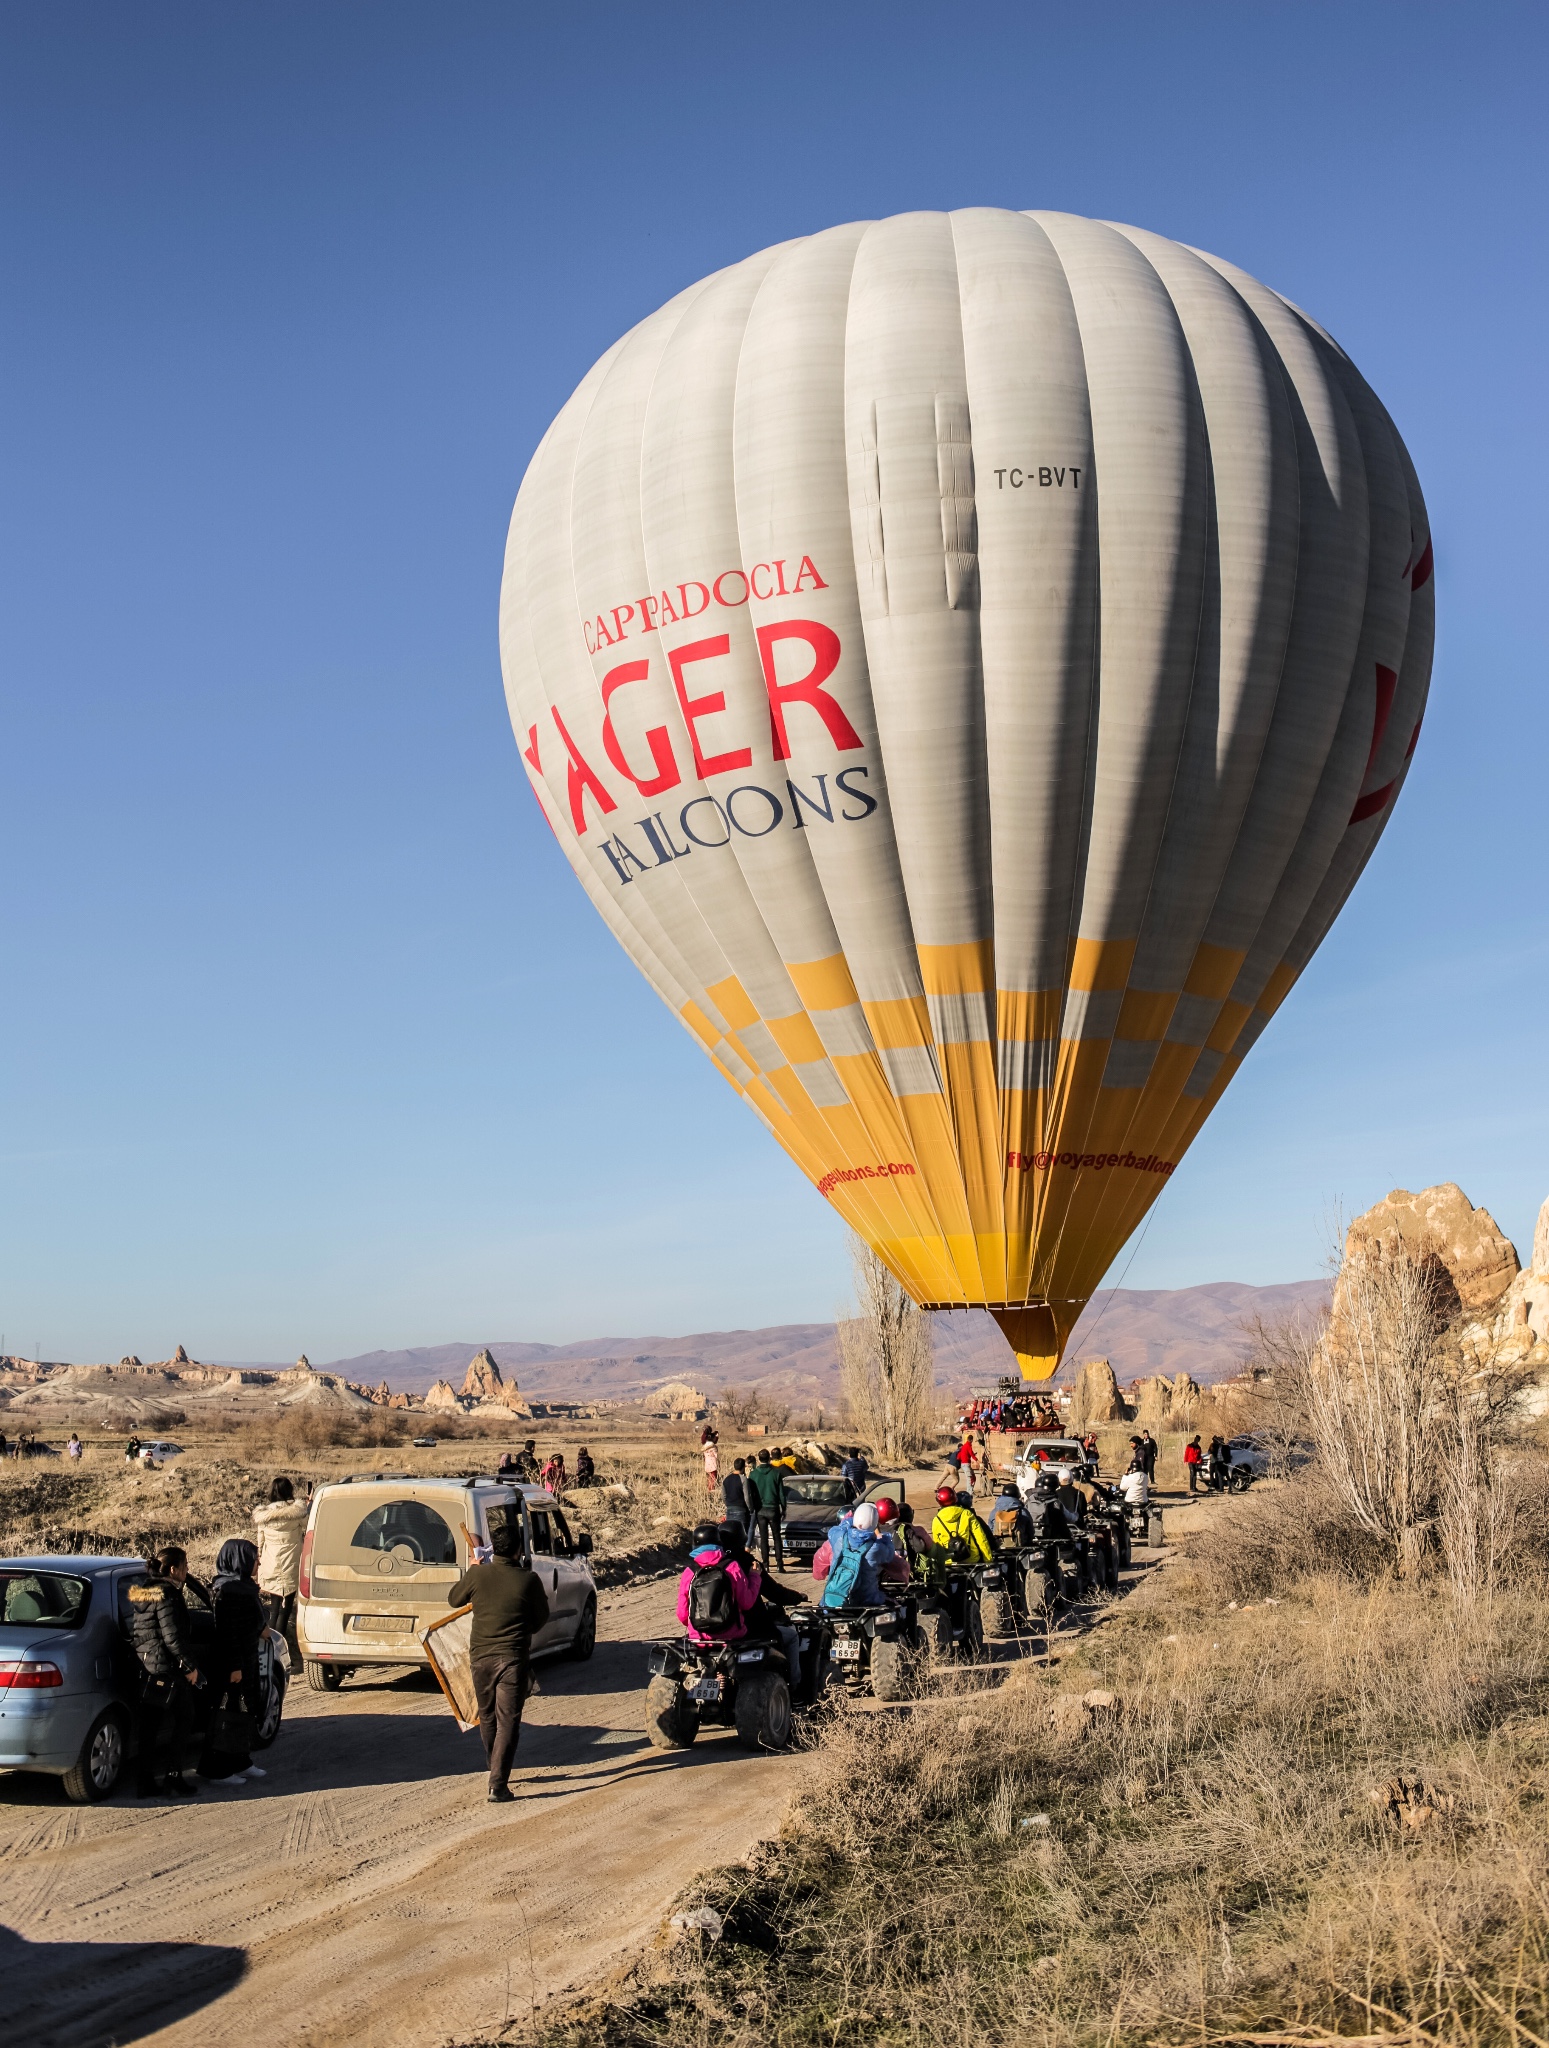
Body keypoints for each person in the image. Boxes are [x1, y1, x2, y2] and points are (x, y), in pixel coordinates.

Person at [447, 1519, 550, 1802]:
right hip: (513, 1659)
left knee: (489, 1717)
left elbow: (454, 1599)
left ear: (496, 1551)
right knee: (508, 1721)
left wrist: (473, 1571)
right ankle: (498, 1783)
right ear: (518, 1550)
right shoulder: (528, 1579)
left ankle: (496, 1769)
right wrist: (520, 1630)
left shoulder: (479, 1576)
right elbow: (541, 1618)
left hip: (480, 1657)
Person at [126, 1545, 204, 1797]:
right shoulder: (168, 1594)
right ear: (173, 1569)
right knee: (185, 1718)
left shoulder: (143, 1592)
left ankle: (145, 1781)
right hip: (166, 1670)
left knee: (149, 1727)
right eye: (185, 1566)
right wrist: (190, 1668)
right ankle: (173, 1776)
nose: (187, 1571)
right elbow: (172, 1637)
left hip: (146, 1666)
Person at [200, 1538, 272, 1786]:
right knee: (226, 1716)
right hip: (234, 1665)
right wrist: (235, 1667)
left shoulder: (243, 1587)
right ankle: (217, 1769)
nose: (258, 1562)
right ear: (240, 1559)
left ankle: (240, 1761)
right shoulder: (228, 1591)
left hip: (247, 1661)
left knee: (243, 1713)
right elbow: (227, 1633)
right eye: (254, 1557)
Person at [677, 1520, 759, 1645]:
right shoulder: (732, 1566)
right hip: (732, 1637)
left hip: (698, 1639)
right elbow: (746, 1603)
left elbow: (682, 1615)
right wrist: (755, 1577)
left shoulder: (689, 1572)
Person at [252, 1476, 307, 1646]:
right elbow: (309, 1526)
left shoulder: (264, 1516)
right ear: (289, 1490)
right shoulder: (297, 1513)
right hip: (291, 1564)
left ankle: (268, 1646)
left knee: (274, 1609)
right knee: (286, 1609)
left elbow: (260, 1543)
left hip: (271, 1564)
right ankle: (278, 1647)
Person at [820, 1501, 893, 1609]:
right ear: (874, 1523)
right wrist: (878, 1533)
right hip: (867, 1600)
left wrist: (851, 1520)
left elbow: (834, 1530)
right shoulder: (876, 1548)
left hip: (834, 1600)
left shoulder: (839, 1537)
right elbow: (890, 1552)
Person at [929, 1483, 992, 1564]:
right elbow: (981, 1538)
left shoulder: (937, 1520)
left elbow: (937, 1544)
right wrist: (988, 1560)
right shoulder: (966, 1514)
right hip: (971, 1559)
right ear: (955, 1498)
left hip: (948, 1562)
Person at [746, 1448, 787, 1570]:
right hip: (773, 1508)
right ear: (769, 1458)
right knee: (776, 1536)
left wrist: (752, 1507)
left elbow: (751, 1494)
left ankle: (766, 1564)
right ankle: (780, 1565)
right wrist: (783, 1508)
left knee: (763, 1537)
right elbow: (781, 1493)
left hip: (760, 1509)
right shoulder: (776, 1473)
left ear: (759, 1459)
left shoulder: (753, 1475)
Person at [722, 1457, 750, 1544]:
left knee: (731, 1533)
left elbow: (723, 1496)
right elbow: (747, 1497)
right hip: (741, 1510)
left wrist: (728, 1505)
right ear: (743, 1468)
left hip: (730, 1509)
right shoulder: (743, 1479)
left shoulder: (726, 1479)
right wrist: (750, 1508)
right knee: (741, 1535)